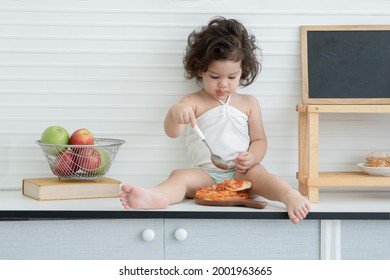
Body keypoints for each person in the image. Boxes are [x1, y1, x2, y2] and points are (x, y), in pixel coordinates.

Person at [119, 16, 310, 224]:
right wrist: (176, 111)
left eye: (231, 77)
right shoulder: (193, 101)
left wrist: (252, 158)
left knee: (261, 174)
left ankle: (289, 195)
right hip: (205, 175)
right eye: (215, 77)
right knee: (179, 176)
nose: (223, 85)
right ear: (201, 70)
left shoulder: (249, 103)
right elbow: (172, 132)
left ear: (243, 71)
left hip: (242, 174)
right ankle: (156, 196)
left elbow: (259, 141)